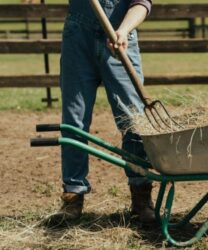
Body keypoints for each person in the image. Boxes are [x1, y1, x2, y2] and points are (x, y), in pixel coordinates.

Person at [51, 0, 154, 224]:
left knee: (133, 121)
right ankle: (73, 195)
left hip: (120, 38)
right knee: (74, 121)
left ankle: (141, 197)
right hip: (78, 38)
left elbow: (142, 3)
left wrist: (123, 30)